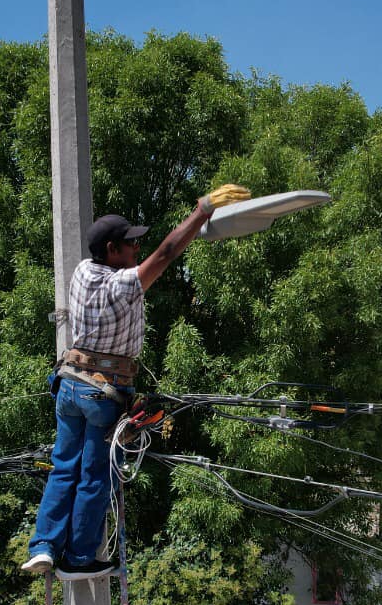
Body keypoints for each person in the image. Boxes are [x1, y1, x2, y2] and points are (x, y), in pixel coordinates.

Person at [23, 183, 252, 579]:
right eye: (129, 245)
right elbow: (165, 254)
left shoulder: (83, 271)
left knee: (64, 468)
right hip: (102, 392)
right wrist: (202, 210)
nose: (136, 251)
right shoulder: (120, 286)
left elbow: (153, 254)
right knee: (95, 477)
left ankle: (43, 545)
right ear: (112, 249)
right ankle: (78, 560)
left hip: (70, 384)